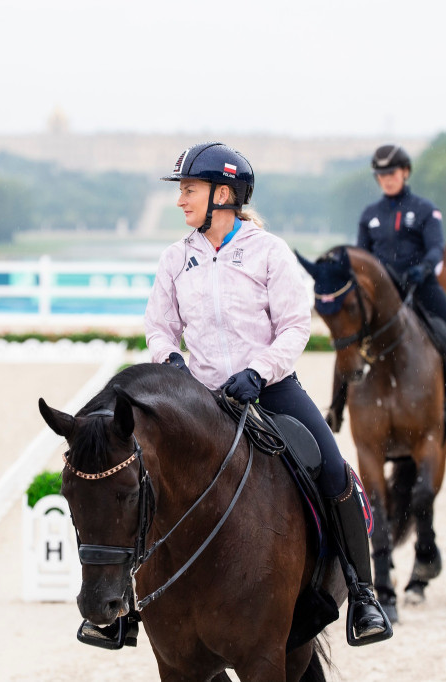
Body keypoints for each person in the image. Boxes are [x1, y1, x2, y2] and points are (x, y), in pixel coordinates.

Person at [142, 141, 390, 647]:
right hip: (200, 397)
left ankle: (364, 596)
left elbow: (296, 325)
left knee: (335, 469)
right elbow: (159, 326)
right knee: (144, 473)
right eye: (181, 189)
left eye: (188, 189)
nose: (180, 200)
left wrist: (259, 371)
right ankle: (126, 603)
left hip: (270, 390)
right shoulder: (176, 258)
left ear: (223, 194)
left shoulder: (269, 252)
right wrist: (168, 361)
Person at [356, 144, 446, 435]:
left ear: (405, 172)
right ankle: (335, 408)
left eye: (392, 172)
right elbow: (362, 255)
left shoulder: (425, 210)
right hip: (384, 294)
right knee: (349, 338)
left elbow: (435, 249)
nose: (387, 178)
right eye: (381, 174)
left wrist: (423, 268)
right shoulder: (369, 214)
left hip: (421, 285)